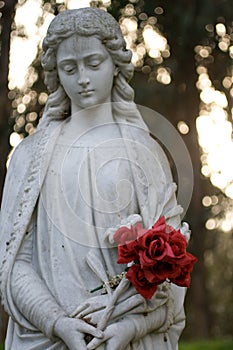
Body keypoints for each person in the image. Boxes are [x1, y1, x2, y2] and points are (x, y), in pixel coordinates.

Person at [0, 7, 187, 349]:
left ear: (115, 64)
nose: (82, 78)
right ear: (56, 74)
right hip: (50, 337)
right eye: (69, 68)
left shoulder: (144, 152)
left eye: (94, 63)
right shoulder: (28, 157)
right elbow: (12, 264)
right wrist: (56, 322)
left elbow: (173, 274)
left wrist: (131, 325)